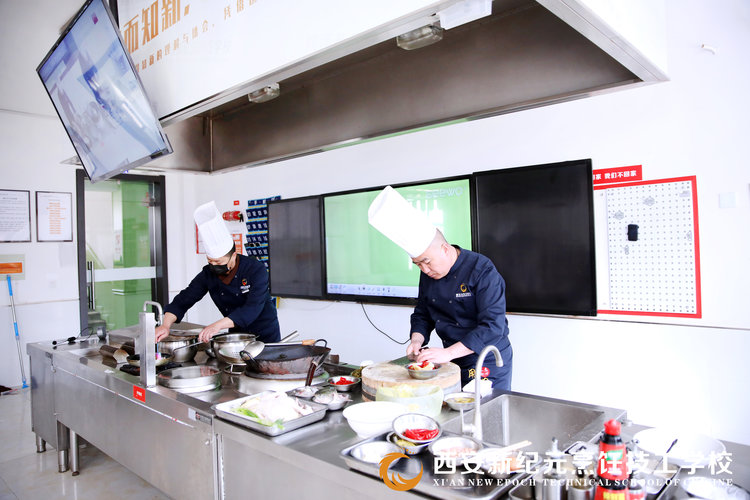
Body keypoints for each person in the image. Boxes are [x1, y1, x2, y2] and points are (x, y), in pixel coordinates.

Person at [368, 186, 512, 390]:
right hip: (452, 360)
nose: (424, 269)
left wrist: (448, 353)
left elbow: (492, 327)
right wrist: (416, 340)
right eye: (418, 264)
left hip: (486, 360)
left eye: (427, 262)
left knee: (484, 408)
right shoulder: (429, 273)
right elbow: (423, 312)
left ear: (445, 249)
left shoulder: (482, 270)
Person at [155, 201, 280, 344]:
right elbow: (184, 299)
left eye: (219, 263)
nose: (214, 266)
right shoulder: (208, 273)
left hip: (265, 335)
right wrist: (165, 325)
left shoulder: (255, 269)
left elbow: (252, 308)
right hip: (237, 336)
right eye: (210, 261)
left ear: (234, 256)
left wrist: (217, 325)